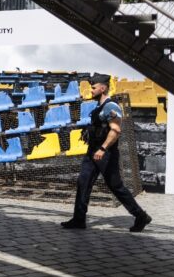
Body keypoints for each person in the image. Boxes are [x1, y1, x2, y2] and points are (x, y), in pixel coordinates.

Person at [61, 73, 152, 232]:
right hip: (92, 152)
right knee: (83, 182)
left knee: (116, 186)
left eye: (94, 87)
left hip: (106, 153)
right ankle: (79, 219)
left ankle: (141, 216)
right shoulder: (99, 107)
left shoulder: (111, 107)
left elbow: (116, 130)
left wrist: (103, 149)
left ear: (103, 88)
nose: (91, 90)